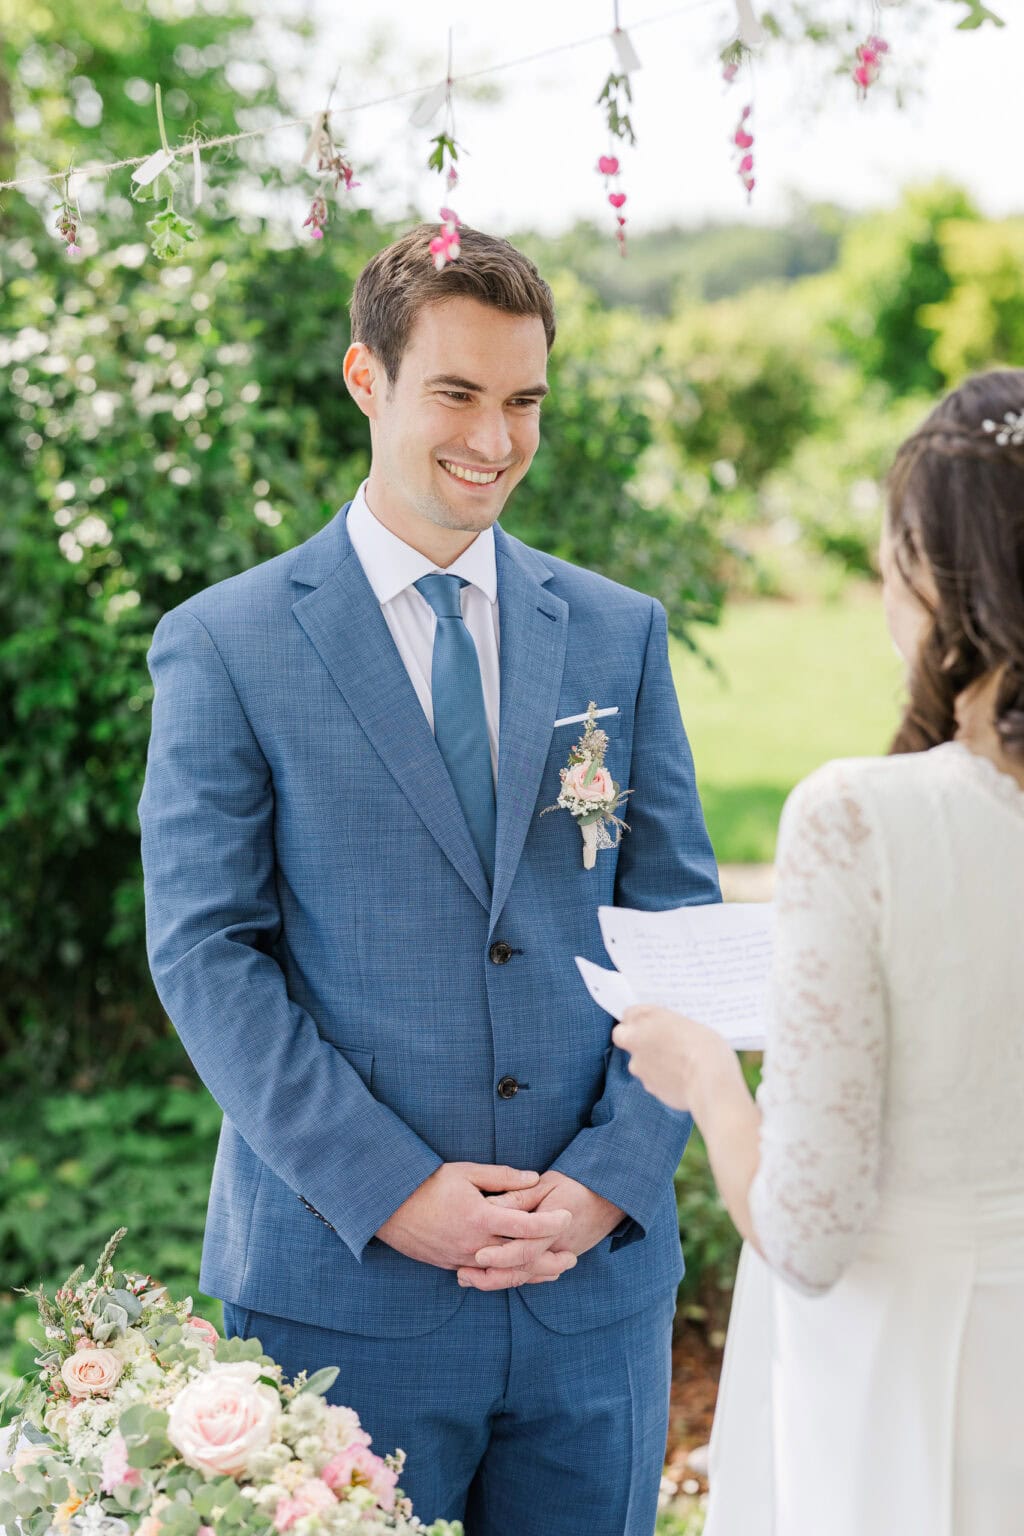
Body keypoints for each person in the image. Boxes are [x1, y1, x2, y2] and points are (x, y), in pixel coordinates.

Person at [138, 223, 720, 1534]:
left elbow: (679, 924)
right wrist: (393, 1190)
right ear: (366, 380)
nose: (497, 439)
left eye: (524, 402)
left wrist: (609, 1182)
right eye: (457, 394)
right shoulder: (224, 647)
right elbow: (207, 955)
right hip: (342, 1294)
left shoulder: (618, 634)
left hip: (592, 1291)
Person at [612, 368, 1024, 1535]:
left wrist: (702, 1072)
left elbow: (808, 1230)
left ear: (936, 572)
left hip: (902, 1375)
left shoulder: (860, 816)